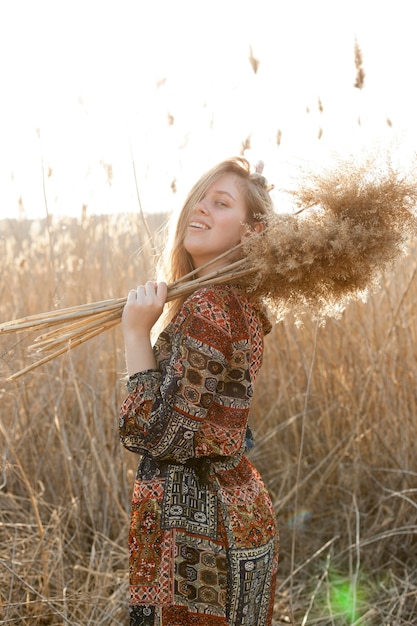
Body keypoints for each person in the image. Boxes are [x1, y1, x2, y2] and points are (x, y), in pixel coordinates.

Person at [119, 157, 279, 626]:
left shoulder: (209, 307)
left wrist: (135, 334)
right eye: (201, 198)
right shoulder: (243, 302)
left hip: (200, 530)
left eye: (221, 203)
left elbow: (158, 435)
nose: (200, 208)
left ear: (251, 233)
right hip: (240, 510)